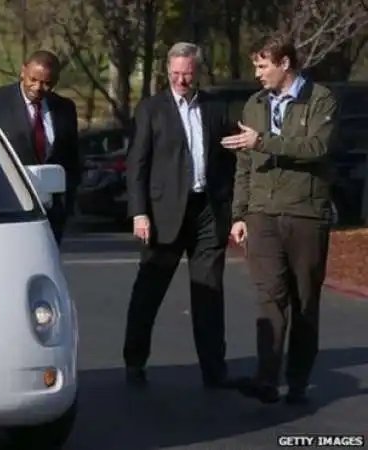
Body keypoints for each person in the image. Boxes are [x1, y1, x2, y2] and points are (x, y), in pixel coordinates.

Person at [221, 33, 338, 405]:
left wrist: (263, 142)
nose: (257, 73)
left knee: (304, 300)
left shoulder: (320, 99)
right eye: (256, 65)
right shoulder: (255, 105)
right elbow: (244, 165)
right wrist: (239, 214)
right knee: (269, 297)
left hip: (305, 214)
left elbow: (317, 148)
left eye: (262, 66)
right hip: (263, 216)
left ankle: (299, 381)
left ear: (285, 64)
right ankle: (266, 378)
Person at [122, 42, 237, 388]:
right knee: (149, 291)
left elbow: (229, 161)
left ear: (197, 71)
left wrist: (232, 207)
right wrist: (139, 213)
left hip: (207, 212)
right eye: (175, 73)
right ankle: (135, 361)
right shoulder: (152, 109)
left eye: (187, 73)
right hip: (163, 214)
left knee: (209, 292)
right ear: (167, 71)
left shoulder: (216, 109)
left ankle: (214, 369)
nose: (181, 80)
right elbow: (136, 164)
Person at [0, 50, 80, 245]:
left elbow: (71, 159)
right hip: (6, 208)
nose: (38, 87)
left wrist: (67, 203)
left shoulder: (65, 108)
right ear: (23, 71)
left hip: (50, 213)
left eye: (47, 83)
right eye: (33, 79)